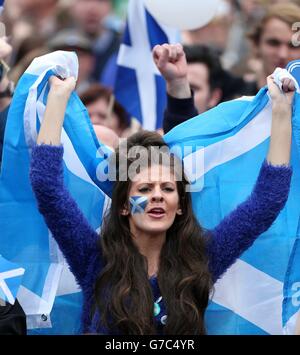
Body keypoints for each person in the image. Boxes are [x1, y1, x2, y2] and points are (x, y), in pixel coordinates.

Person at [29, 72, 293, 335]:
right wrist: (57, 98)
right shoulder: (96, 261)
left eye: (167, 188)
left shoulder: (200, 260)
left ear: (179, 205)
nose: (157, 196)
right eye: (144, 188)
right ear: (123, 206)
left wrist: (281, 110)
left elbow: (266, 202)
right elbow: (48, 188)